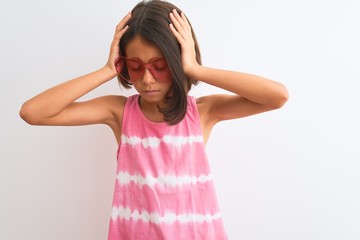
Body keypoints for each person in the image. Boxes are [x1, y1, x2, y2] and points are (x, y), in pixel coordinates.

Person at [20, 0, 288, 239]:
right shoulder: (120, 112)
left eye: (159, 66)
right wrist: (105, 71)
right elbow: (33, 112)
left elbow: (277, 96)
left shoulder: (202, 112)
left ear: (176, 61)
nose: (147, 79)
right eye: (136, 67)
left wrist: (196, 69)